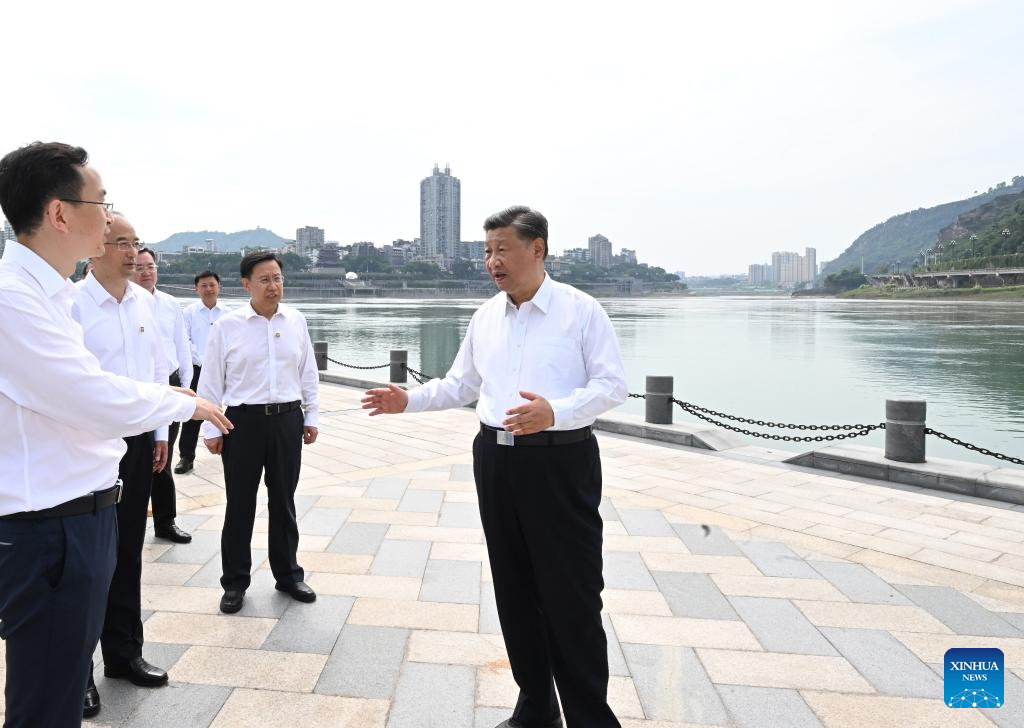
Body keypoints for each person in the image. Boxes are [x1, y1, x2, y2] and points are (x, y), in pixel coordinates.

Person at [363, 206, 627, 728]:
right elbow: (461, 385)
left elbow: (611, 385)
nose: (492, 261)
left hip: (560, 462)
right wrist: (408, 400)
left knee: (572, 594)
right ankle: (536, 707)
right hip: (495, 461)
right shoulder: (485, 316)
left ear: (538, 249)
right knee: (514, 587)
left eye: (502, 249)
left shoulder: (581, 311)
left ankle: (590, 718)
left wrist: (556, 412)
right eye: (487, 251)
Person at [0, 141, 231, 728]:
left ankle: (122, 654)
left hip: (81, 510)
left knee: (54, 692)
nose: (109, 219)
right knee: (45, 702)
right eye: (100, 203)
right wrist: (181, 404)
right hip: (48, 525)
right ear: (59, 213)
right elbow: (89, 395)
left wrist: (162, 413)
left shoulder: (49, 293)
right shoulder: (14, 298)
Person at [71, 214, 187, 713]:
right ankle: (78, 672)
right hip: (88, 445)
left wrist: (160, 433)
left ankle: (124, 653)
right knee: (86, 562)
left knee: (127, 552)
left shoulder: (144, 304)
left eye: (135, 243)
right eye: (121, 243)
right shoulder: (72, 304)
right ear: (94, 249)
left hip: (138, 442)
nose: (132, 253)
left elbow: (159, 373)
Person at [199, 251, 320, 614]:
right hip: (243, 423)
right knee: (240, 504)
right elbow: (211, 381)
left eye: (277, 278)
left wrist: (312, 416)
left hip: (287, 419)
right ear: (246, 284)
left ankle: (289, 574)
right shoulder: (228, 326)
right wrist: (210, 426)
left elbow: (308, 371)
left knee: (284, 500)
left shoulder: (296, 320)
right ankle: (235, 582)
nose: (273, 286)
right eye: (265, 280)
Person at [133, 247, 194, 543]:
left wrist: (186, 384)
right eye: (140, 267)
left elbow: (182, 345)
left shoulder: (170, 303)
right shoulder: (127, 302)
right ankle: (128, 522)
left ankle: (165, 522)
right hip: (137, 386)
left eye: (151, 266)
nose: (146, 272)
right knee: (134, 459)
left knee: (163, 456)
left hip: (170, 383)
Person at [175, 270, 227, 474]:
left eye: (212, 285)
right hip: (197, 369)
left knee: (231, 409)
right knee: (193, 412)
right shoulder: (188, 313)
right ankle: (186, 457)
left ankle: (229, 448)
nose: (208, 289)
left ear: (219, 287)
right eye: (203, 286)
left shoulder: (228, 314)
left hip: (224, 369)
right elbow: (184, 341)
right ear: (196, 289)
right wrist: (204, 361)